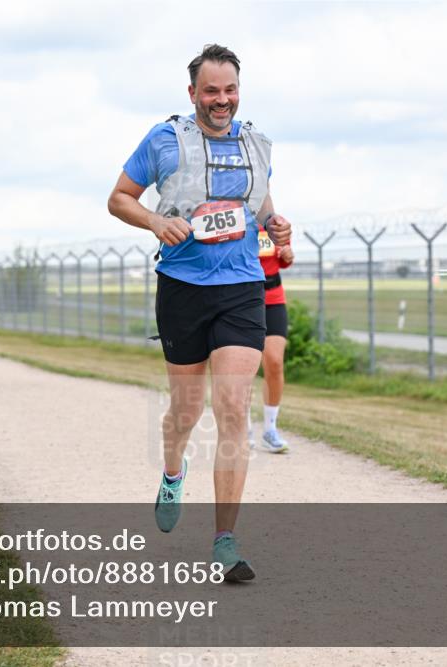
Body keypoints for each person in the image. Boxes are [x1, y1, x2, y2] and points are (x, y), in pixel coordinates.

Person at [107, 44, 292, 582]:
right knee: (185, 412)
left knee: (233, 406)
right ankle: (172, 472)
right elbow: (120, 198)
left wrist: (278, 228)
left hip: (240, 288)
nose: (222, 100)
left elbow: (263, 209)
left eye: (230, 90)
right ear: (193, 94)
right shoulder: (165, 140)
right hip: (183, 287)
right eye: (211, 91)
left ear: (240, 90)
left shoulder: (256, 144)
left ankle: (225, 541)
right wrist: (154, 223)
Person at [254, 223, 294, 452]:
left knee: (275, 361)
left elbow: (282, 259)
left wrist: (287, 255)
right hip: (243, 299)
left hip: (274, 298)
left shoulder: (276, 223)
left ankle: (270, 429)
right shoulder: (235, 217)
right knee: (242, 366)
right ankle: (243, 427)